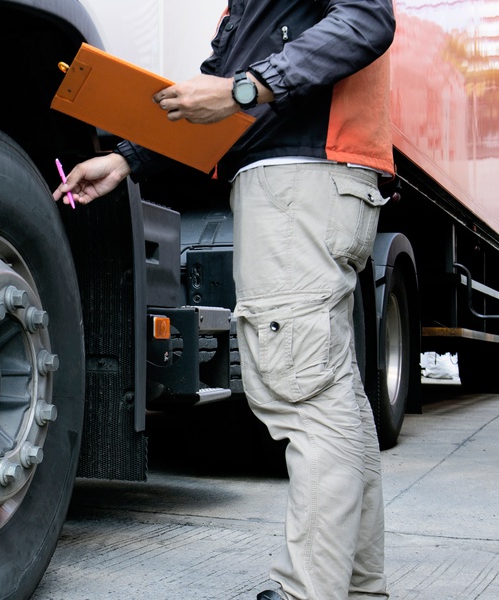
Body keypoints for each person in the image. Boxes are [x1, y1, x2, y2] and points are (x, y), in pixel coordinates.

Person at [53, 1, 396, 598]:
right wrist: (124, 160)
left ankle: (310, 592)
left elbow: (369, 18)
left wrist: (244, 90)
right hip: (311, 185)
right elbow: (212, 103)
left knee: (303, 392)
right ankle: (358, 588)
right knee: (333, 393)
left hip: (298, 184)